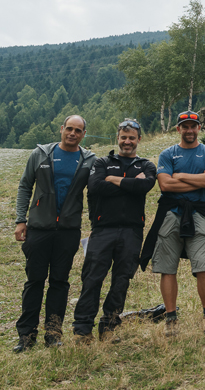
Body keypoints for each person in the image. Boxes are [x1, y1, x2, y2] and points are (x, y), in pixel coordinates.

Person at [13, 115, 96, 353]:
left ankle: (53, 334)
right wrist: (21, 220)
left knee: (60, 283)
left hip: (68, 231)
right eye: (69, 128)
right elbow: (25, 185)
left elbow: (96, 192)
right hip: (39, 228)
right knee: (34, 282)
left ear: (83, 134)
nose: (72, 133)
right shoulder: (40, 154)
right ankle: (26, 336)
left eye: (78, 130)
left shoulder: (88, 160)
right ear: (61, 129)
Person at [73, 119, 157, 344]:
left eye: (131, 138)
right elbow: (96, 187)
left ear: (139, 139)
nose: (127, 142)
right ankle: (82, 329)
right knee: (92, 278)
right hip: (102, 230)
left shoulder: (147, 165)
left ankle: (108, 327)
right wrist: (129, 183)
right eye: (123, 137)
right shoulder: (102, 162)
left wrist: (115, 180)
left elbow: (145, 186)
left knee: (122, 280)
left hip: (132, 231)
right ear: (117, 138)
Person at [139, 110, 205, 336]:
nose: (189, 130)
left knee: (204, 265)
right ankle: (171, 318)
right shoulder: (167, 154)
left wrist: (179, 176)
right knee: (168, 268)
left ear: (199, 128)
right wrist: (198, 181)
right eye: (184, 126)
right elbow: (165, 186)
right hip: (170, 215)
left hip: (198, 214)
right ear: (178, 129)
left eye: (193, 126)